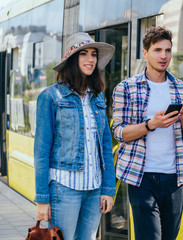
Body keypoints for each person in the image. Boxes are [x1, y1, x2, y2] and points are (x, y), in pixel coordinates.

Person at [112, 26, 183, 240]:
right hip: (141, 176)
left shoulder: (181, 88)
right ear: (145, 53)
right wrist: (151, 124)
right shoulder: (126, 88)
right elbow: (119, 132)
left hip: (175, 177)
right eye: (157, 50)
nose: (163, 56)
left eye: (168, 50)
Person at [34, 32, 116, 240]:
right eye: (84, 54)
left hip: (94, 189)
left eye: (94, 54)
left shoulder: (97, 98)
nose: (90, 59)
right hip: (64, 188)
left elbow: (105, 146)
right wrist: (42, 199)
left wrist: (108, 188)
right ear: (72, 59)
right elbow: (42, 151)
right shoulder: (51, 97)